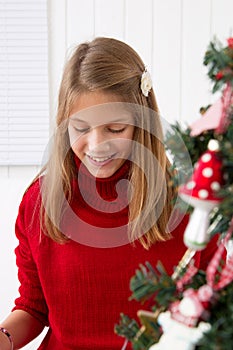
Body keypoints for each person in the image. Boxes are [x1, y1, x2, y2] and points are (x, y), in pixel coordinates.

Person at [0, 37, 221, 349]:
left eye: (115, 129)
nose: (97, 145)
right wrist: (4, 339)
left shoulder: (188, 203)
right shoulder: (40, 201)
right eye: (80, 128)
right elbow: (33, 308)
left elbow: (215, 311)